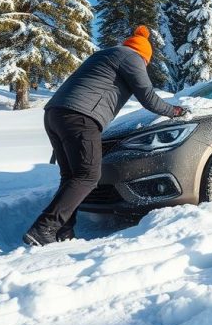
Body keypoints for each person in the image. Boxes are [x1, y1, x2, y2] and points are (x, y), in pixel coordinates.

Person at [23, 26, 189, 246]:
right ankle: (44, 228)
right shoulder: (132, 57)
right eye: (146, 63)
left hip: (55, 114)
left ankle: (63, 232)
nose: (145, 66)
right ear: (145, 55)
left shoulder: (105, 54)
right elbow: (147, 97)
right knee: (88, 177)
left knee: (72, 176)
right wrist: (174, 111)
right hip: (81, 116)